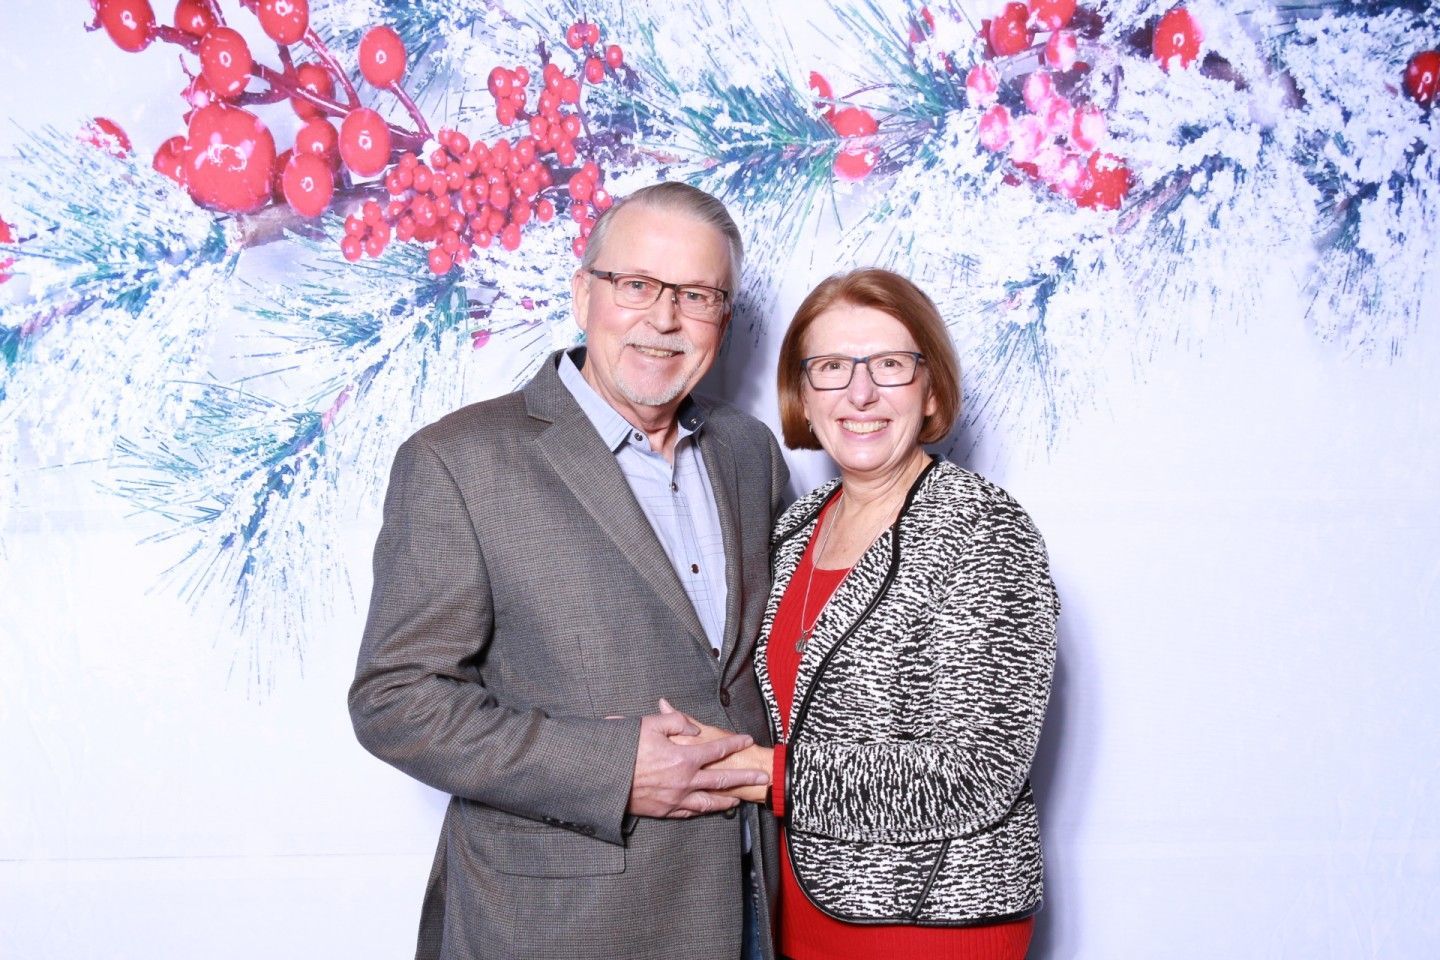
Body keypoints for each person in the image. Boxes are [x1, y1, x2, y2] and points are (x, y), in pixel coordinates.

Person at [349, 182, 789, 960]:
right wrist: (613, 768)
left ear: (723, 315)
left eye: (695, 294)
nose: (663, 319)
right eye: (637, 285)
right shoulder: (459, 461)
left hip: (746, 903)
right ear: (584, 293)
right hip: (559, 924)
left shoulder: (747, 452)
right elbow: (395, 701)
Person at [692, 267, 1059, 959]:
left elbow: (980, 772)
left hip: (932, 920)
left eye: (889, 364)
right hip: (797, 905)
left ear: (929, 389)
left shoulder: (983, 529)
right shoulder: (797, 526)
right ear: (804, 393)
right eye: (831, 367)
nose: (860, 393)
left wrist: (774, 776)